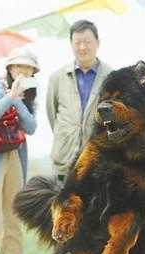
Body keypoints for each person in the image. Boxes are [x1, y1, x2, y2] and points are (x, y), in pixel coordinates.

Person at [0, 47, 39, 254]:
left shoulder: (31, 92)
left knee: (14, 218)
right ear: (10, 67)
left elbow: (32, 127)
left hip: (15, 154)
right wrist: (9, 97)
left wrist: (18, 101)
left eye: (28, 66)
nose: (23, 70)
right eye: (19, 65)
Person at [46, 19, 112, 181]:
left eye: (87, 42)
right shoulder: (57, 77)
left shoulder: (111, 77)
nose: (82, 47)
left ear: (98, 43)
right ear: (71, 45)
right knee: (64, 205)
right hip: (65, 159)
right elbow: (52, 114)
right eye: (77, 42)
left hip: (98, 160)